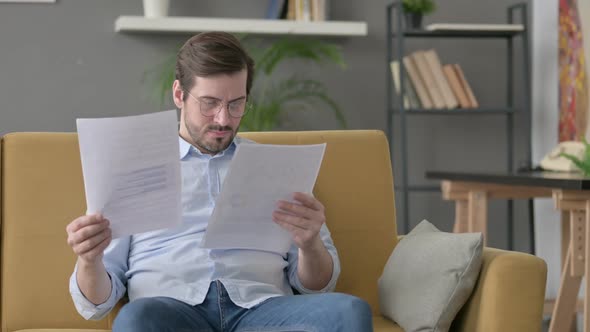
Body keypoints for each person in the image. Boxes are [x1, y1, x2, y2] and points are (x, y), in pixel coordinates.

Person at [66, 31, 373, 332]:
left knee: (349, 312)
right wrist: (89, 260)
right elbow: (96, 304)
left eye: (236, 104)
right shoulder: (134, 167)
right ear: (178, 94)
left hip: (262, 312)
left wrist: (309, 245)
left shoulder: (279, 167)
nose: (224, 119)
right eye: (209, 103)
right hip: (171, 313)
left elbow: (317, 287)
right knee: (136, 318)